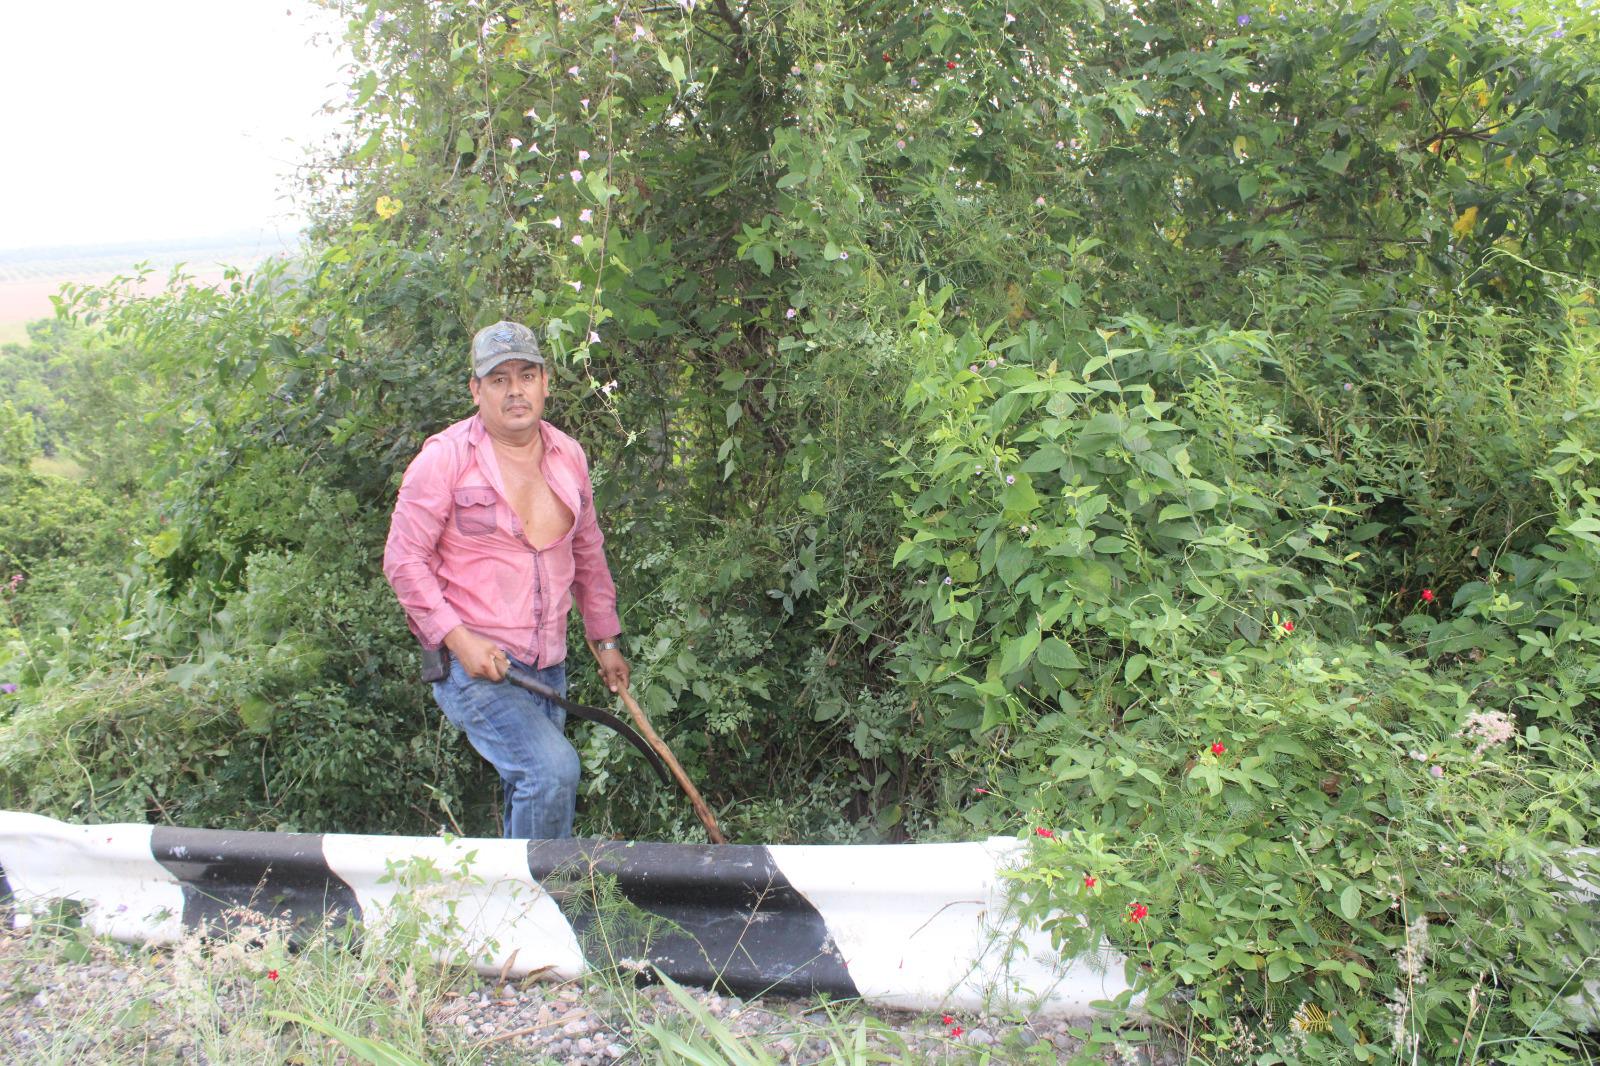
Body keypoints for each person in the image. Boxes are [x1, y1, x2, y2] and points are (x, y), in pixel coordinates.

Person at [382, 320, 629, 839]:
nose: (515, 390)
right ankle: (541, 905)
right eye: (498, 379)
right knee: (550, 772)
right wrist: (460, 639)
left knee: (536, 786)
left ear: (545, 381)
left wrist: (604, 639)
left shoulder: (570, 456)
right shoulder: (443, 460)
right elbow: (404, 562)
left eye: (526, 375)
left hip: (548, 662)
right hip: (474, 663)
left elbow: (587, 551)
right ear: (476, 390)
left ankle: (510, 907)